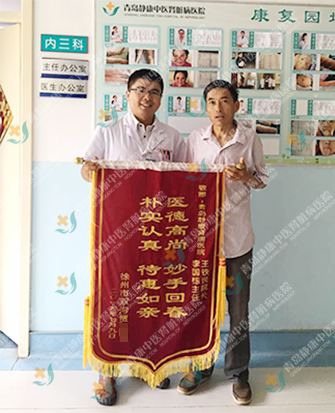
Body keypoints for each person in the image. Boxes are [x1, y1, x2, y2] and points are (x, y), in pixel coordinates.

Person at [81, 69, 187, 405]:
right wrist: (90, 169)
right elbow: (85, 169)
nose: (147, 97)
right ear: (127, 94)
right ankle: (106, 371)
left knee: (153, 298)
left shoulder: (173, 138)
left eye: (154, 92)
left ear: (161, 98)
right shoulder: (108, 132)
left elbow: (185, 180)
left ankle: (150, 365)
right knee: (114, 298)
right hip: (117, 235)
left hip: (157, 233)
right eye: (140, 89)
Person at [178, 80, 268, 405]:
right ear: (206, 107)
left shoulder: (249, 138)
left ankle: (238, 373)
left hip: (238, 240)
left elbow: (263, 179)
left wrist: (245, 177)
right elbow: (182, 179)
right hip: (203, 242)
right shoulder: (195, 140)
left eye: (225, 101)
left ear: (237, 105)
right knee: (200, 308)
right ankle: (199, 367)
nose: (219, 108)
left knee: (238, 311)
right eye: (212, 102)